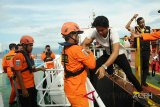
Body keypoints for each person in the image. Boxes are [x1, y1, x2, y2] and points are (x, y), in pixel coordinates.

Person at [81, 16, 142, 93]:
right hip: (108, 54)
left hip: (119, 54)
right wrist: (85, 51)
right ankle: (93, 90)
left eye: (102, 30)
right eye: (98, 30)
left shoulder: (113, 32)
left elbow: (115, 52)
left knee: (129, 75)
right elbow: (84, 44)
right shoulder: (95, 32)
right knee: (93, 67)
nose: (100, 32)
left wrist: (103, 66)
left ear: (107, 27)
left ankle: (141, 92)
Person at [60, 22, 96, 107]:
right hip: (77, 89)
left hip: (69, 87)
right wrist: (90, 53)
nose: (78, 36)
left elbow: (64, 63)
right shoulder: (77, 49)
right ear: (71, 35)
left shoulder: (64, 49)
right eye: (76, 34)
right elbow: (92, 65)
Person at [11, 35, 45, 107]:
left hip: (31, 85)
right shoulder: (18, 57)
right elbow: (18, 72)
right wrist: (23, 89)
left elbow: (31, 69)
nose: (31, 47)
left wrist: (40, 69)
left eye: (32, 45)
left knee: (33, 103)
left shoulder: (28, 55)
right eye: (30, 45)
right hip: (24, 87)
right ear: (23, 45)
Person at [126, 14, 151, 86]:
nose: (142, 23)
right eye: (141, 22)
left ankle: (143, 81)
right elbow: (126, 27)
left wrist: (151, 48)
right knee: (139, 66)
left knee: (146, 66)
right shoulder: (135, 28)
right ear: (138, 23)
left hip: (147, 50)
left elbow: (151, 37)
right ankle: (138, 81)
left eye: (143, 22)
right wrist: (132, 18)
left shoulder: (149, 28)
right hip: (139, 50)